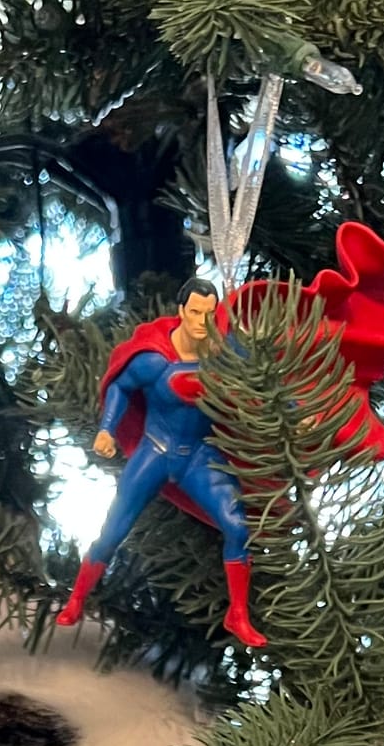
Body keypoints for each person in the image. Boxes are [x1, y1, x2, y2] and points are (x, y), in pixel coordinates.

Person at [55, 275, 266, 648]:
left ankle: (237, 614)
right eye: (195, 313)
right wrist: (107, 429)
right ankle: (76, 598)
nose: (202, 322)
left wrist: (297, 411)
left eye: (209, 314)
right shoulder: (155, 359)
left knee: (238, 527)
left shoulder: (225, 352)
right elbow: (121, 386)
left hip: (199, 455)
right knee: (113, 531)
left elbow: (264, 381)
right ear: (183, 311)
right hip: (154, 451)